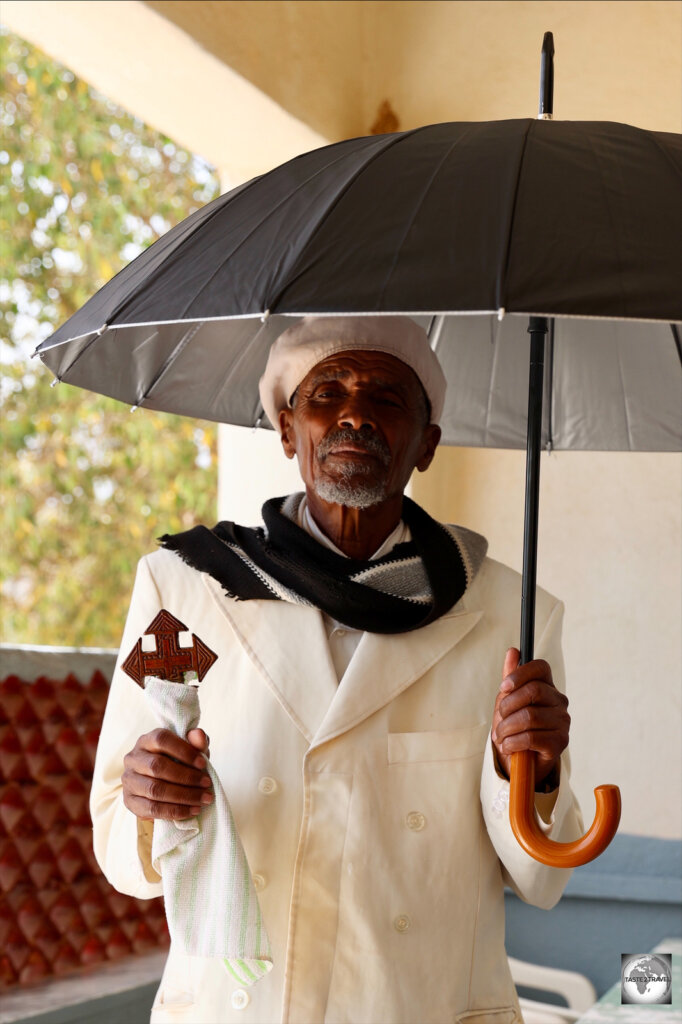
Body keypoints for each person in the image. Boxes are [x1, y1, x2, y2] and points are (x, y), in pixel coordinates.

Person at [90, 316, 583, 1024]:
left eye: (387, 397)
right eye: (327, 392)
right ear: (288, 431)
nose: (355, 413)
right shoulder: (186, 592)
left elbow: (544, 876)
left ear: (426, 444)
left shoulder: (512, 614)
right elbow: (120, 846)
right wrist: (147, 798)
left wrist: (529, 769)